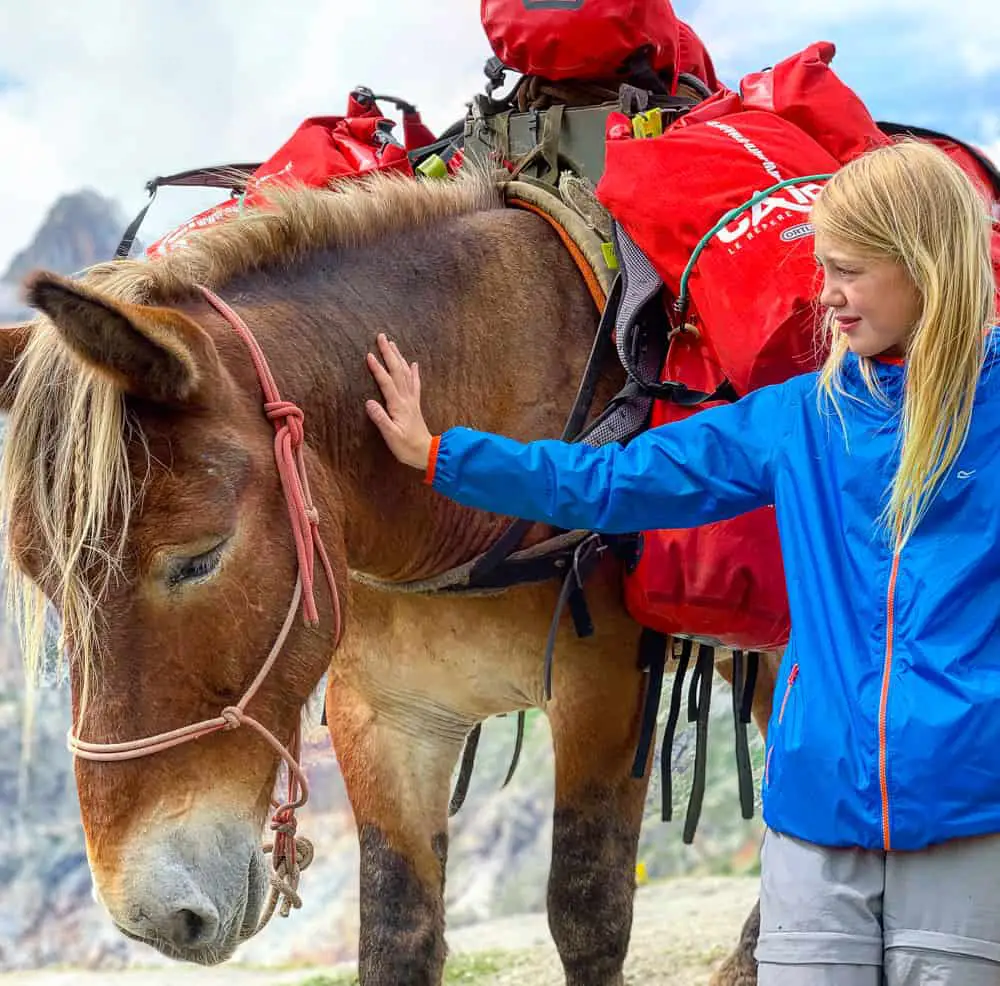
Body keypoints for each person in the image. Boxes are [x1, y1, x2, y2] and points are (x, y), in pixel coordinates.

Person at [363, 139, 1000, 985]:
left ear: (924, 265)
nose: (829, 297)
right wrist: (443, 454)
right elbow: (613, 481)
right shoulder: (802, 419)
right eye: (823, 268)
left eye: (849, 271)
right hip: (816, 820)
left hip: (970, 819)